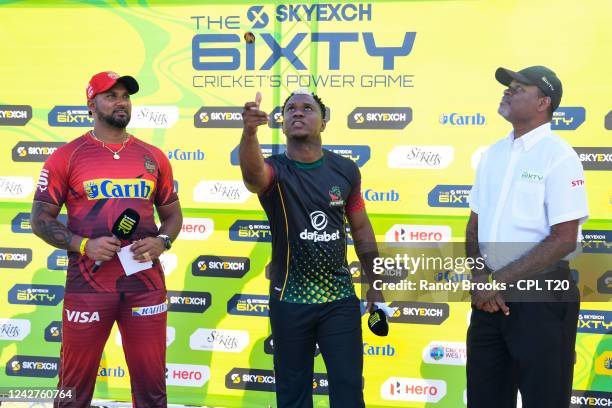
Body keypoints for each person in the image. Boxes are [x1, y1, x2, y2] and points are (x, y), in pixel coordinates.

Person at [31, 71, 182, 408]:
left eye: (125, 95)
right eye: (111, 95)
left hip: (144, 285)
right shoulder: (66, 157)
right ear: (91, 104)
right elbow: (40, 220)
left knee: (152, 389)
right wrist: (83, 245)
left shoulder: (153, 156)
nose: (121, 102)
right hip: (88, 287)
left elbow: (172, 216)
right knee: (73, 390)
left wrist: (162, 242)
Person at [240, 90, 382, 408]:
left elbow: (361, 229)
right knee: (293, 393)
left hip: (339, 301)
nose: (298, 113)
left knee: (347, 389)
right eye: (290, 108)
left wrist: (375, 283)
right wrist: (249, 132)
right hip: (289, 299)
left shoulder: (345, 170)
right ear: (283, 123)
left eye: (308, 108)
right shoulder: (274, 169)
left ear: (324, 121)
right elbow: (252, 177)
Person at [466, 66, 588, 408]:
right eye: (509, 87)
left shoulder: (560, 156)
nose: (508, 91)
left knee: (545, 400)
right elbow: (474, 226)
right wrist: (480, 278)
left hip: (542, 301)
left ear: (543, 103)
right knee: (484, 400)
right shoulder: (491, 154)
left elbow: (564, 238)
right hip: (489, 302)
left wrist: (498, 280)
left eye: (519, 88)